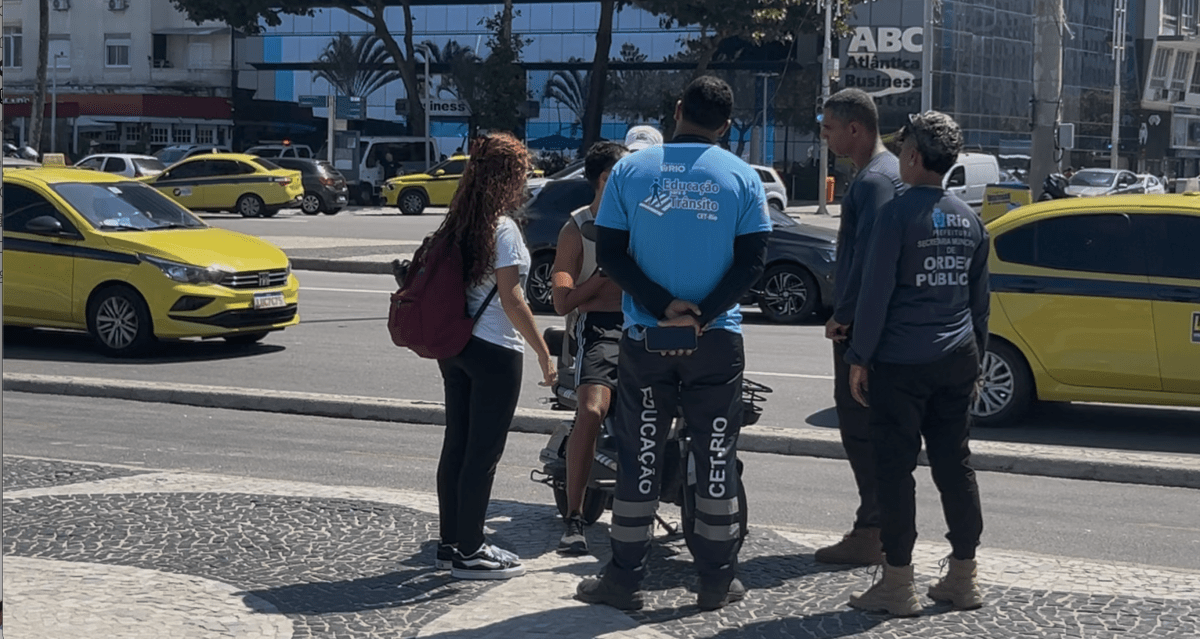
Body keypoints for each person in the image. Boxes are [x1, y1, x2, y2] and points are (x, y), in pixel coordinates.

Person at [577, 76, 771, 611]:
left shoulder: (630, 171)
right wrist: (702, 313)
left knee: (639, 456)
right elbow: (753, 262)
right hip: (715, 340)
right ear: (726, 126)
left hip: (646, 337)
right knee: (714, 457)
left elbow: (612, 253)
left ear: (678, 110)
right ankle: (715, 581)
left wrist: (664, 306)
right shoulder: (743, 177)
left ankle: (623, 579)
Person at [844, 111, 989, 616]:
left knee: (895, 470)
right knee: (956, 466)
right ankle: (963, 576)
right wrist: (978, 364)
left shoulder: (897, 215)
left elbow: (874, 294)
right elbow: (979, 303)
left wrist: (859, 357)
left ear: (911, 156)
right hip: (958, 358)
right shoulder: (969, 218)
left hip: (902, 361)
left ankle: (898, 583)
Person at [431, 132, 558, 580]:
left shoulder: (458, 221)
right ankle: (471, 550)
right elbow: (513, 298)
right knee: (482, 454)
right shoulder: (501, 227)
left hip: (456, 347)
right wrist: (544, 352)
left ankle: (450, 545)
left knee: (457, 447)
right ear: (509, 177)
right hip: (495, 351)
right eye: (521, 173)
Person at [817, 88, 904, 566]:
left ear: (855, 128)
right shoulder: (887, 174)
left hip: (861, 331)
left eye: (829, 128)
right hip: (880, 326)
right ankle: (878, 526)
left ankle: (872, 529)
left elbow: (870, 262)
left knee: (860, 429)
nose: (825, 137)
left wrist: (843, 316)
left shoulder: (874, 182)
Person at [550, 141, 630, 555]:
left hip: (642, 325)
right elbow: (563, 301)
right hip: (597, 330)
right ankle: (576, 517)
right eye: (627, 173)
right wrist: (602, 278)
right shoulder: (576, 229)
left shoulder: (642, 222)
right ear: (606, 179)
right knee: (593, 409)